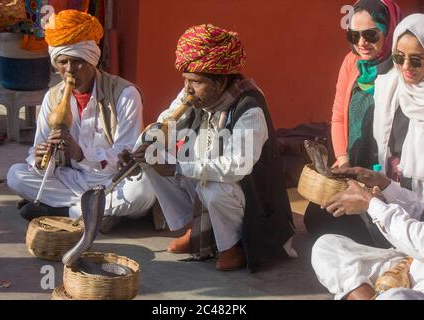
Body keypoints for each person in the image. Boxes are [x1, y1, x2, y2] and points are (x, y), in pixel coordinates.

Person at [120, 24, 296, 272]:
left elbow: (235, 166)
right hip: (207, 171)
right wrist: (147, 144)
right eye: (185, 80)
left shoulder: (249, 108)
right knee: (148, 149)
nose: (188, 89)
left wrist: (177, 168)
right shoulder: (195, 93)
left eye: (196, 82)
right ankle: (195, 229)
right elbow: (166, 119)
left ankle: (232, 247)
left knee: (214, 186)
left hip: (248, 196)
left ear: (221, 81)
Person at [6, 9, 155, 233]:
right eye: (62, 62)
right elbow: (38, 151)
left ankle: (64, 212)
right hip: (73, 179)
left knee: (144, 190)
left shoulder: (124, 93)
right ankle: (97, 214)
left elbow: (127, 153)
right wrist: (40, 160)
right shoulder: (52, 97)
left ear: (91, 59)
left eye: (77, 62)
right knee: (16, 175)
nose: (69, 71)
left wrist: (80, 154)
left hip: (113, 180)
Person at [311, 14, 424, 300]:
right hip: (407, 251)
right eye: (399, 59)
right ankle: (367, 293)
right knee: (326, 245)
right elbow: (419, 207)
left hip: (416, 249)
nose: (406, 68)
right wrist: (383, 184)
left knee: (396, 297)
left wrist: (373, 204)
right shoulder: (403, 96)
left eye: (417, 60)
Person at [304, 0, 402, 248]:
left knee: (379, 226)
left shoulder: (403, 66)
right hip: (353, 160)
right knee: (316, 219)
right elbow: (338, 113)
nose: (361, 43)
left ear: (389, 29)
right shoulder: (351, 62)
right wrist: (344, 162)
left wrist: (381, 180)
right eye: (354, 35)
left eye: (371, 34)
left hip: (389, 167)